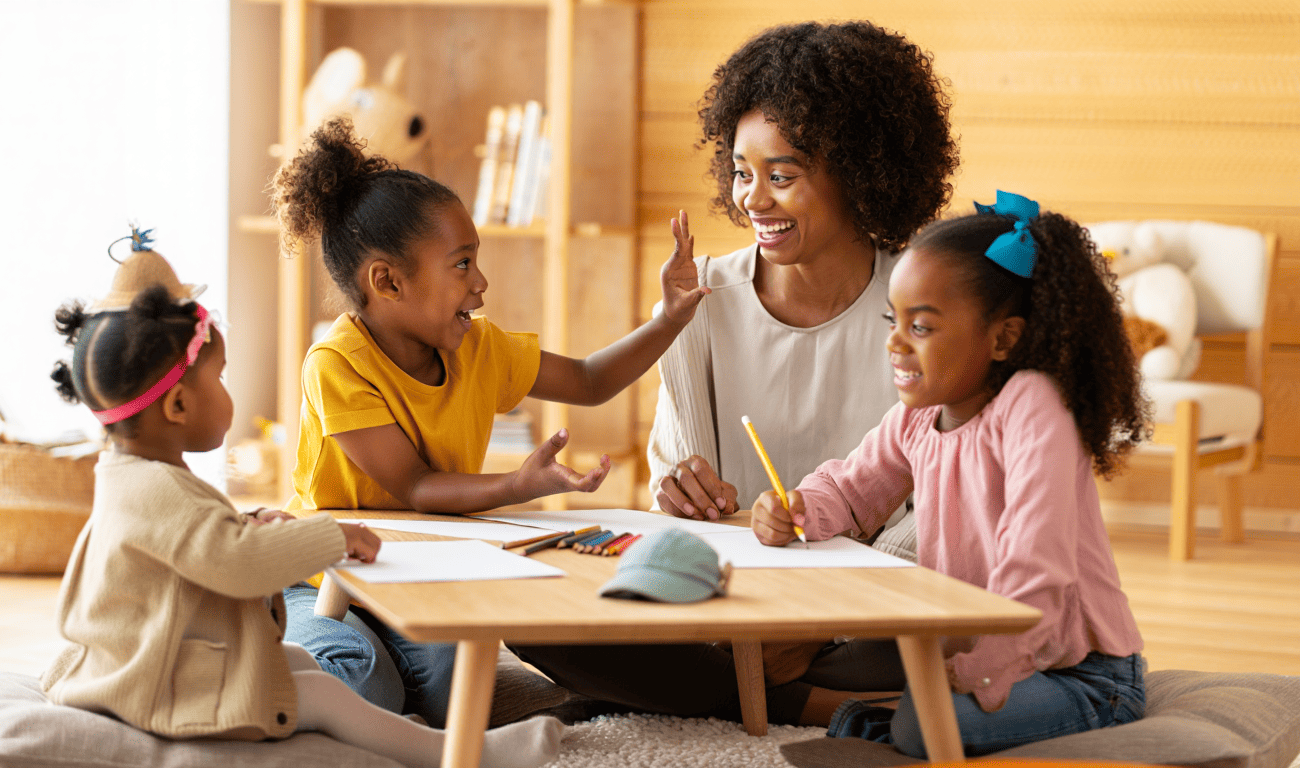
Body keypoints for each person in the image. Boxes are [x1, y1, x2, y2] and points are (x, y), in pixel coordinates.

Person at [513, 19, 960, 727]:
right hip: (726, 604)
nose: (753, 200)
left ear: (859, 172)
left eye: (781, 176)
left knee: (950, 615)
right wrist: (678, 489)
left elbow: (940, 516)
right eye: (743, 174)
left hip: (869, 612)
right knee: (529, 613)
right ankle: (789, 701)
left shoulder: (928, 308)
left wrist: (819, 622)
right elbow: (677, 477)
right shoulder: (704, 300)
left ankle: (731, 695)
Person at [41, 248, 563, 768]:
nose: (228, 391)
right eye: (219, 378)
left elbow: (189, 545)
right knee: (325, 694)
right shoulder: (159, 489)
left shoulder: (130, 476)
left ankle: (393, 735)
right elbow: (238, 564)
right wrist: (330, 536)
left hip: (150, 665)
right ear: (177, 406)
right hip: (157, 687)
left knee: (296, 664)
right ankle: (461, 755)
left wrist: (247, 523)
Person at [268, 115, 709, 726]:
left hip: (414, 570)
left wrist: (669, 319)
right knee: (362, 676)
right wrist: (516, 486)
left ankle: (390, 725)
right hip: (322, 574)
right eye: (461, 264)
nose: (480, 284)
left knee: (455, 679)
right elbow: (416, 486)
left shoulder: (478, 349)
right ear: (388, 281)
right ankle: (264, 664)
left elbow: (588, 380)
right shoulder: (335, 364)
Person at [752, 191, 1150, 757]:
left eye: (922, 327)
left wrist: (979, 673)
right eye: (895, 320)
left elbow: (1036, 564)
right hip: (979, 660)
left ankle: (877, 725)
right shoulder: (917, 419)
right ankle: (886, 722)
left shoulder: (1034, 405)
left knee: (922, 724)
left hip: (1084, 676)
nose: (894, 342)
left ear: (1003, 338)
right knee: (920, 710)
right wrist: (797, 509)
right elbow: (850, 487)